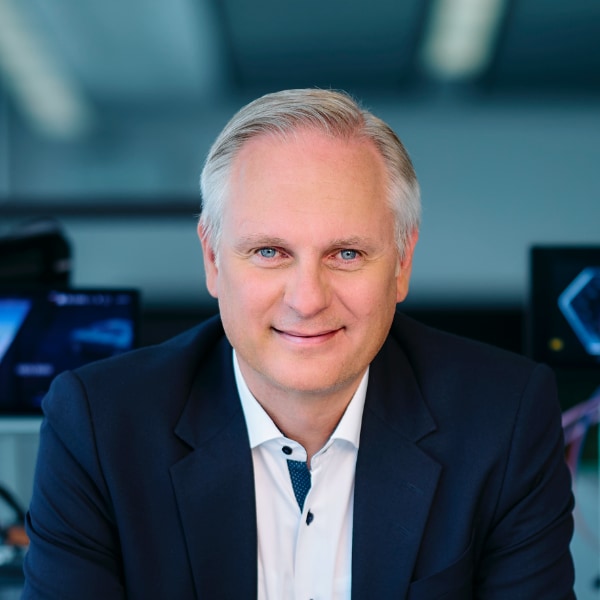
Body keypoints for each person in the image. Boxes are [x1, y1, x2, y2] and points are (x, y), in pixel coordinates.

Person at [22, 89, 575, 599]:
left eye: (347, 254)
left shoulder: (503, 418)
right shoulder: (100, 425)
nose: (307, 299)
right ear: (213, 260)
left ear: (402, 263)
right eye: (269, 252)